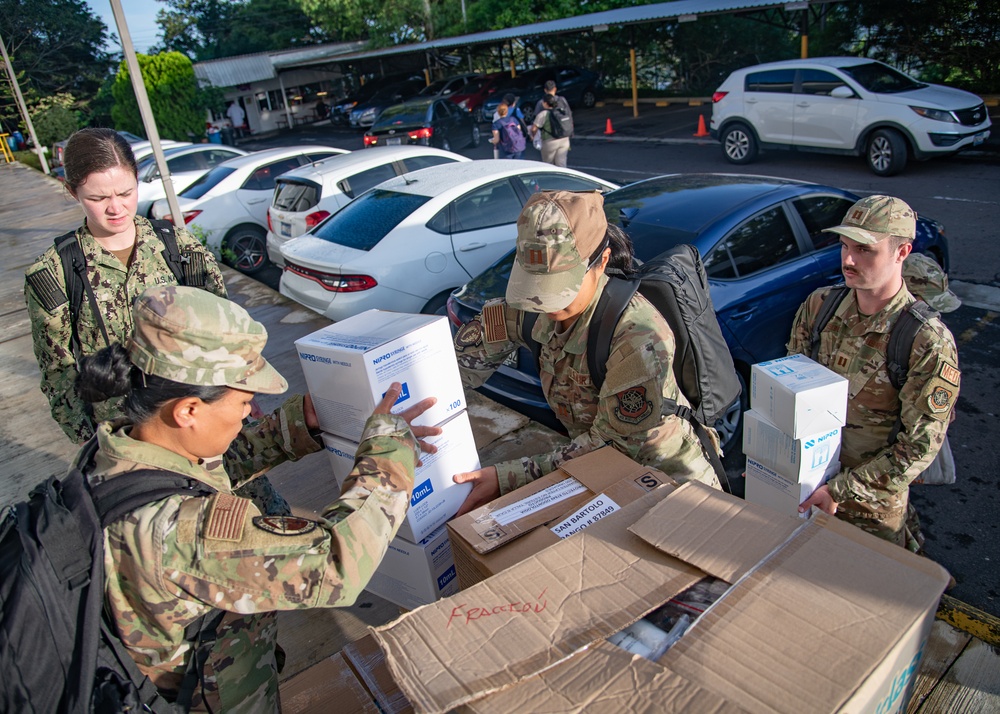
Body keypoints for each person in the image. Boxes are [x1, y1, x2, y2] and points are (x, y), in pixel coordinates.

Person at [75, 284, 439, 711]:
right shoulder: (182, 532)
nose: (250, 412)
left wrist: (295, 426)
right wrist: (390, 445)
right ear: (188, 410)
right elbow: (337, 562)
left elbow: (200, 472)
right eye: (244, 401)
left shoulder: (116, 450)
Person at [23, 127, 287, 514]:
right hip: (135, 440)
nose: (116, 208)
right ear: (72, 192)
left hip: (204, 419)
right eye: (98, 198)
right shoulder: (56, 273)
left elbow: (228, 333)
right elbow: (58, 371)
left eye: (125, 192)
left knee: (257, 512)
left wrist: (242, 395)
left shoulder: (176, 248)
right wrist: (89, 440)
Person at [451, 190, 721, 515]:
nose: (543, 302)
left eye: (557, 285)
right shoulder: (531, 307)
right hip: (597, 476)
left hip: (670, 486)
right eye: (535, 283)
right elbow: (454, 371)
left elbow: (615, 447)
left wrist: (507, 477)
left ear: (602, 261)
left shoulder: (638, 335)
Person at [788, 195, 960, 551]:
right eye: (844, 246)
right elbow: (789, 390)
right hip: (804, 487)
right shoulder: (820, 305)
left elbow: (919, 447)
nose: (849, 260)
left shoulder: (925, 340)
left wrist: (839, 491)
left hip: (870, 509)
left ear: (902, 252)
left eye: (865, 250)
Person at [531, 95, 571, 167]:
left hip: (550, 142)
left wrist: (533, 137)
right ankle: (562, 177)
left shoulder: (543, 114)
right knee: (561, 163)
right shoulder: (561, 111)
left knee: (548, 164)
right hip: (564, 139)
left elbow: (534, 129)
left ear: (546, 103)